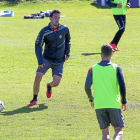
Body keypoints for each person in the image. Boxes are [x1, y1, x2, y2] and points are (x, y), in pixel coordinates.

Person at [28, 9, 71, 106]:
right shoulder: (44, 31)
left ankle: (49, 85)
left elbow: (68, 41)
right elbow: (38, 45)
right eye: (55, 17)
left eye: (58, 18)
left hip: (59, 61)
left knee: (56, 83)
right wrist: (40, 60)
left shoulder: (64, 29)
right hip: (46, 59)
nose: (57, 20)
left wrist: (67, 53)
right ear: (50, 18)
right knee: (38, 76)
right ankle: (34, 99)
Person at [85, 44, 127, 140]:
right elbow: (122, 85)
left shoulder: (93, 69)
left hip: (99, 105)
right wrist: (124, 101)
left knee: (105, 133)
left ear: (101, 54)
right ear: (112, 54)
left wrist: (91, 99)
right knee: (118, 130)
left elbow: (87, 87)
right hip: (113, 104)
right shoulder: (116, 68)